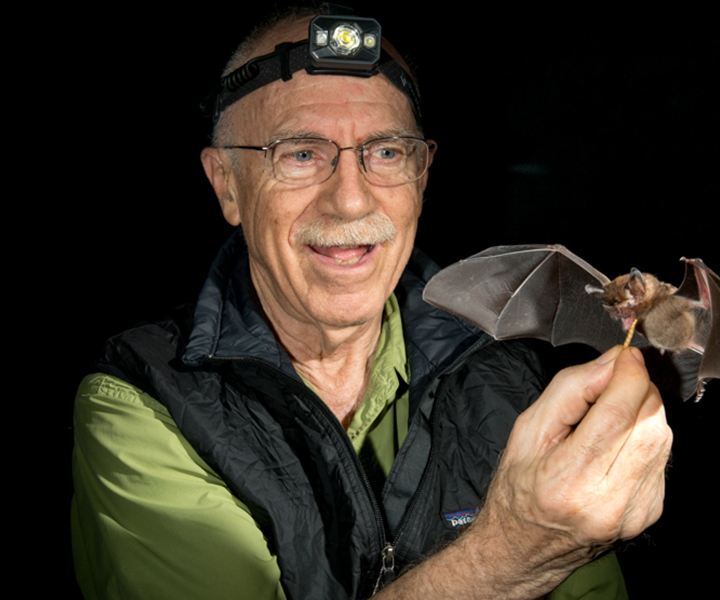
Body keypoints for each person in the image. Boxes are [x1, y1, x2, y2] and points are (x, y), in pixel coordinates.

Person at [71, 8, 672, 600]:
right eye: (301, 154)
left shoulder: (509, 381)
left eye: (385, 153)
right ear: (227, 184)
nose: (353, 203)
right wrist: (514, 549)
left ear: (423, 175)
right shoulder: (144, 401)